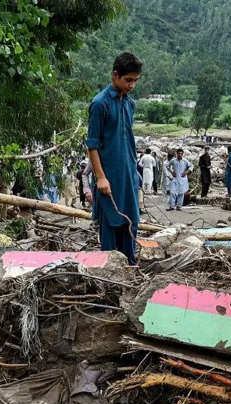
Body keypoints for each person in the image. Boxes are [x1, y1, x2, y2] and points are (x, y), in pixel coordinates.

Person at [85, 52, 142, 265]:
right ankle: (110, 274)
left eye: (135, 81)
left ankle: (130, 267)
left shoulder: (130, 104)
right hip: (108, 177)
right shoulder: (100, 104)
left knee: (130, 224)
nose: (132, 85)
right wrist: (100, 177)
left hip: (128, 176)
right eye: (128, 80)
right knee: (110, 226)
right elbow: (92, 144)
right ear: (115, 75)